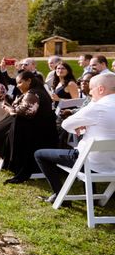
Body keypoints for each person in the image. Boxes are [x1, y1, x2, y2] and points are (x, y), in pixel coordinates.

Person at [34, 74, 115, 204]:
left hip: (93, 165)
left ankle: (59, 195)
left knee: (39, 154)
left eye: (91, 89)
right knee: (88, 150)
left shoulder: (97, 107)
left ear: (100, 89)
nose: (90, 93)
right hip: (112, 165)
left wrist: (81, 127)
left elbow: (66, 124)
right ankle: (92, 198)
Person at [0, 71, 58, 184]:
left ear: (29, 81)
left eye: (20, 82)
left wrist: (9, 109)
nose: (17, 86)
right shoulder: (37, 91)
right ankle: (6, 159)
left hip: (34, 133)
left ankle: (8, 160)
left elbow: (26, 113)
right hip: (36, 129)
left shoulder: (33, 93)